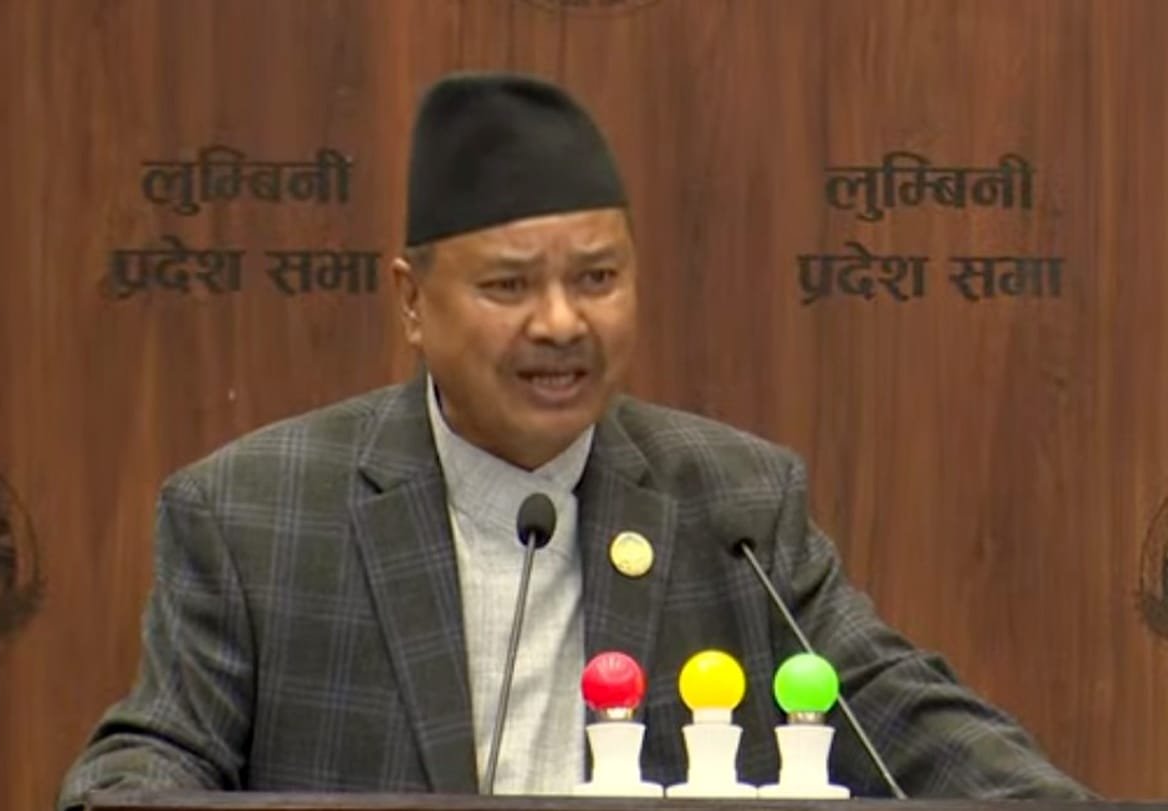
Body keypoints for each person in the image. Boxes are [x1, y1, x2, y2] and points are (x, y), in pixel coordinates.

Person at [56, 71, 1090, 809]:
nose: (560, 323)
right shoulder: (254, 515)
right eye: (509, 285)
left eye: (596, 278)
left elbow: (900, 716)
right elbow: (144, 762)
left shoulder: (730, 504)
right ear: (412, 302)